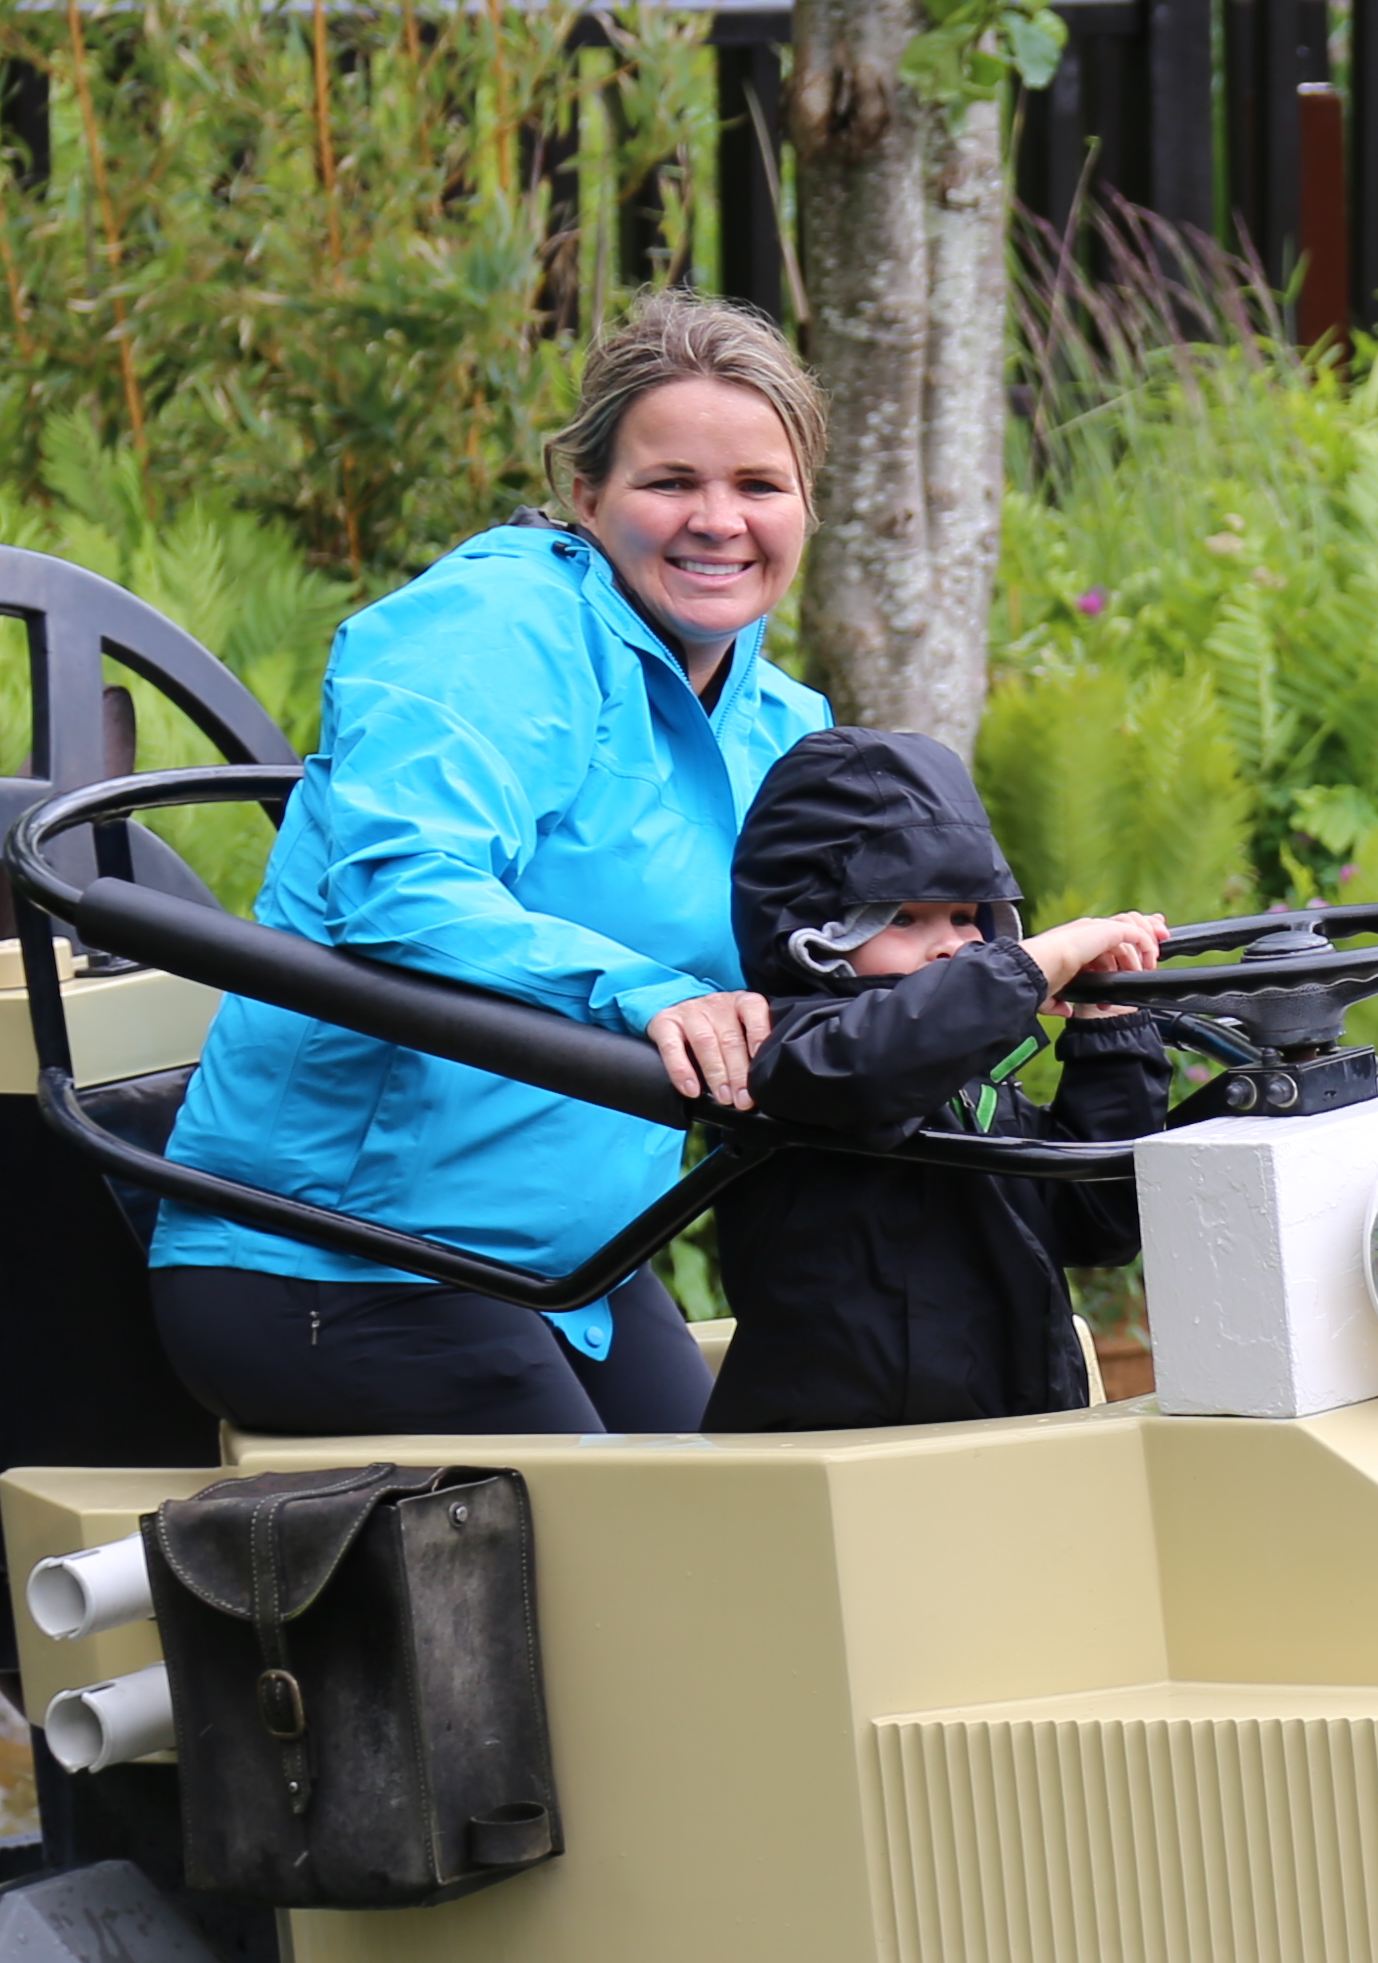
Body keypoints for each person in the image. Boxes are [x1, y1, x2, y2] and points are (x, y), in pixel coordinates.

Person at [146, 293, 829, 1438]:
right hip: (335, 1256)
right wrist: (648, 995)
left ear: (805, 507)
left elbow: (839, 954)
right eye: (671, 484)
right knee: (634, 1583)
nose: (719, 520)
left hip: (576, 1270)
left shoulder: (783, 722)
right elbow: (397, 887)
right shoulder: (495, 630)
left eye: (759, 486)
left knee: (740, 1543)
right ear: (587, 496)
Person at [700, 729, 1176, 1432]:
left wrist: (1109, 1031)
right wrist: (1037, 960)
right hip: (835, 1462)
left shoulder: (970, 1086)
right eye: (903, 918)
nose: (952, 942)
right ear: (813, 938)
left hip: (1006, 1439)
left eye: (965, 917)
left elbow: (1097, 1223)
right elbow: (877, 1064)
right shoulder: (787, 1052)